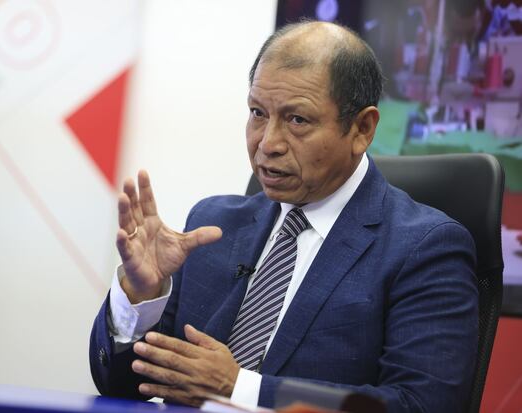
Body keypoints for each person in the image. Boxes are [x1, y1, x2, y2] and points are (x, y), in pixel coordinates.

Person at [89, 21, 478, 413]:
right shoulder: (213, 224)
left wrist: (239, 389)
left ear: (362, 129)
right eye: (258, 113)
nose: (268, 143)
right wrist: (141, 296)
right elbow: (120, 385)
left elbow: (422, 405)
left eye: (297, 120)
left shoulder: (425, 248)